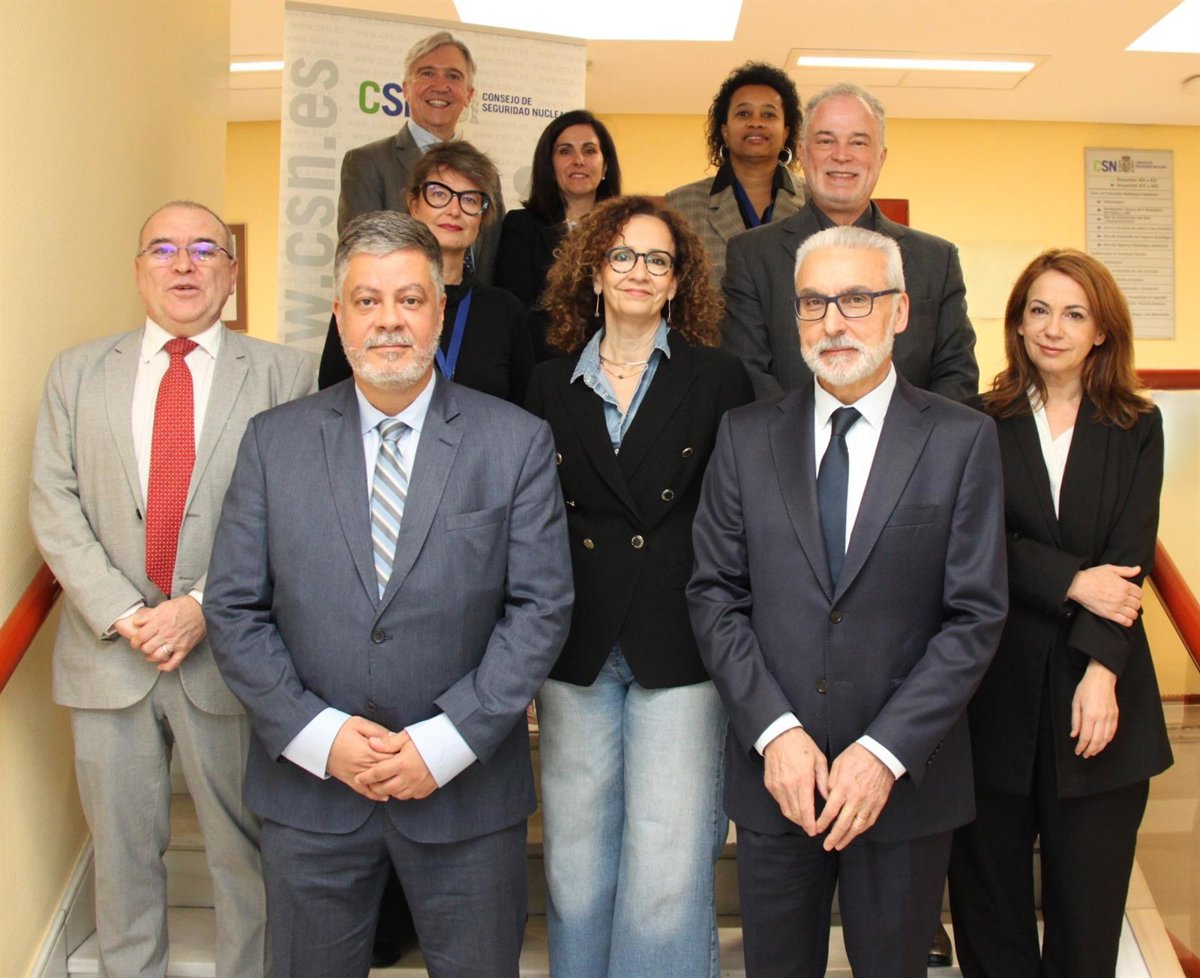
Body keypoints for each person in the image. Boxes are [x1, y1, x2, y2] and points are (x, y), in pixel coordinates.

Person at [204, 211, 573, 978]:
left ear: (439, 311)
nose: (389, 321)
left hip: (465, 794)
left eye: (410, 299)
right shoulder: (274, 442)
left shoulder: (514, 442)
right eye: (367, 301)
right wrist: (318, 735)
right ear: (339, 317)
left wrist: (447, 742)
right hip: (310, 796)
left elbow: (540, 609)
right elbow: (235, 609)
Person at [688, 225, 1007, 978]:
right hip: (779, 781)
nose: (833, 322)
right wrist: (776, 734)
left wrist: (883, 753)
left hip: (903, 785)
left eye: (856, 299)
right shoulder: (744, 436)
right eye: (813, 302)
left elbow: (975, 616)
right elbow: (715, 593)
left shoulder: (961, 439)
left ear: (901, 310)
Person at [29, 201, 315, 978]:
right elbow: (53, 503)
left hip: (230, 657)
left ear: (231, 270)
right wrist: (125, 613)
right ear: (138, 270)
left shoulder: (286, 374)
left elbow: (293, 510)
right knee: (122, 856)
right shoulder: (76, 373)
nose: (183, 265)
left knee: (244, 853)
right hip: (107, 657)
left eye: (203, 250)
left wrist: (200, 605)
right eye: (163, 249)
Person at [526, 196, 754, 978]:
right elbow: (531, 526)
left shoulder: (717, 378)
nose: (638, 271)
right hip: (577, 647)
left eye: (658, 259)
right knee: (575, 865)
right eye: (621, 255)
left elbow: (739, 521)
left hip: (679, 643)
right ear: (593, 272)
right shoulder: (548, 384)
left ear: (677, 281)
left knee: (667, 866)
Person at [947, 249, 1173, 978]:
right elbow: (973, 546)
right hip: (995, 691)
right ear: (1017, 323)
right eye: (1039, 310)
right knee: (990, 907)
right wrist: (1073, 580)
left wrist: (1102, 671)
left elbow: (1129, 557)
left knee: (1088, 912)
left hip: (1099, 690)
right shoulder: (978, 422)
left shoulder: (1137, 425)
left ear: (1101, 330)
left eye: (1075, 314)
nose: (1053, 328)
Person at [722, 82, 978, 403]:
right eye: (826, 141)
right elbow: (745, 373)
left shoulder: (936, 260)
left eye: (858, 142)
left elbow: (957, 374)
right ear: (802, 153)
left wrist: (903, 433)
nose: (841, 155)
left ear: (881, 157)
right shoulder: (751, 255)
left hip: (912, 436)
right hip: (786, 435)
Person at [319, 141, 532, 402]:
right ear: (413, 204)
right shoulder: (369, 301)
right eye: (439, 194)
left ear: (482, 217)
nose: (454, 210)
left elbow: (521, 411)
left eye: (470, 199)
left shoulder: (504, 311)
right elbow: (332, 398)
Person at [338, 30, 504, 283]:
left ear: (469, 95)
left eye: (453, 76)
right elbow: (361, 262)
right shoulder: (367, 163)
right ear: (405, 89)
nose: (440, 86)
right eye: (427, 73)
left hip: (472, 307)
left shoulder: (487, 176)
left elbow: (490, 265)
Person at [495, 110, 623, 360]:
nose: (579, 160)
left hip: (615, 364)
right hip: (541, 366)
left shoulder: (626, 231)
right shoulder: (521, 226)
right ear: (550, 167)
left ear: (605, 165)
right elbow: (515, 312)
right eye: (565, 151)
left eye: (589, 150)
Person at [666, 61, 806, 287]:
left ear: (785, 133)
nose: (756, 123)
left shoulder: (814, 200)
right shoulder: (682, 204)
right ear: (725, 131)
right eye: (743, 113)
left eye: (769, 115)